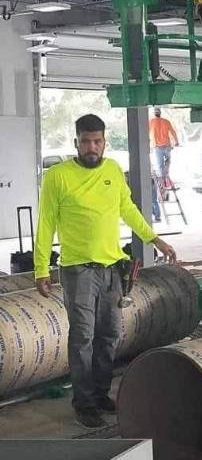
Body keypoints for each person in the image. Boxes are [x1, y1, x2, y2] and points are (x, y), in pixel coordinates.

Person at [34, 114, 177, 429]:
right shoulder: (57, 177)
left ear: (104, 142)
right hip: (78, 271)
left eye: (97, 141)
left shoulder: (112, 170)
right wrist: (40, 268)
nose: (91, 147)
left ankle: (100, 394)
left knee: (110, 334)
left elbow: (129, 210)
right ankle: (83, 404)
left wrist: (156, 239)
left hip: (112, 268)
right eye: (85, 141)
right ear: (76, 142)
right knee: (82, 337)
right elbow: (45, 224)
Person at [149, 106, 179, 186]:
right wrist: (176, 141)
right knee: (168, 161)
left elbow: (146, 133)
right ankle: (166, 176)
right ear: (160, 113)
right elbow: (173, 132)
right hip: (167, 146)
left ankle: (163, 181)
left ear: (154, 114)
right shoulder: (166, 121)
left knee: (160, 165)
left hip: (157, 147)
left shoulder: (151, 122)